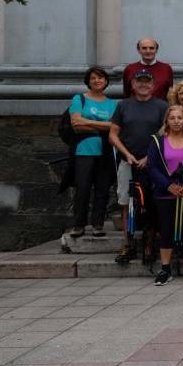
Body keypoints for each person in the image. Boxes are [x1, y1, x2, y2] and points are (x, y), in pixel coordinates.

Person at [108, 67, 169, 261]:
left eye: (147, 81)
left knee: (151, 203)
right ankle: (127, 243)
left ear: (153, 85)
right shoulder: (123, 105)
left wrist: (150, 157)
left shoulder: (162, 106)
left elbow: (165, 134)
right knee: (127, 203)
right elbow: (113, 134)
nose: (143, 85)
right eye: (139, 81)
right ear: (132, 85)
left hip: (153, 162)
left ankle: (149, 243)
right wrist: (126, 154)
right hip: (128, 161)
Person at [146, 105, 183, 286]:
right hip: (165, 193)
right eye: (173, 118)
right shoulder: (157, 140)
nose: (177, 121)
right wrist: (167, 185)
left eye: (180, 118)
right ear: (167, 121)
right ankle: (165, 269)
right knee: (166, 229)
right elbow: (153, 167)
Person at [65, 66, 117, 238]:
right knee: (83, 188)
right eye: (93, 78)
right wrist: (103, 125)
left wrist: (88, 122)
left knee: (102, 189)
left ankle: (97, 224)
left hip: (105, 151)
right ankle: (79, 225)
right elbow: (76, 124)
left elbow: (114, 126)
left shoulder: (112, 103)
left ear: (106, 81)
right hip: (84, 150)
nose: (97, 81)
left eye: (101, 78)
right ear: (88, 81)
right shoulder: (79, 99)